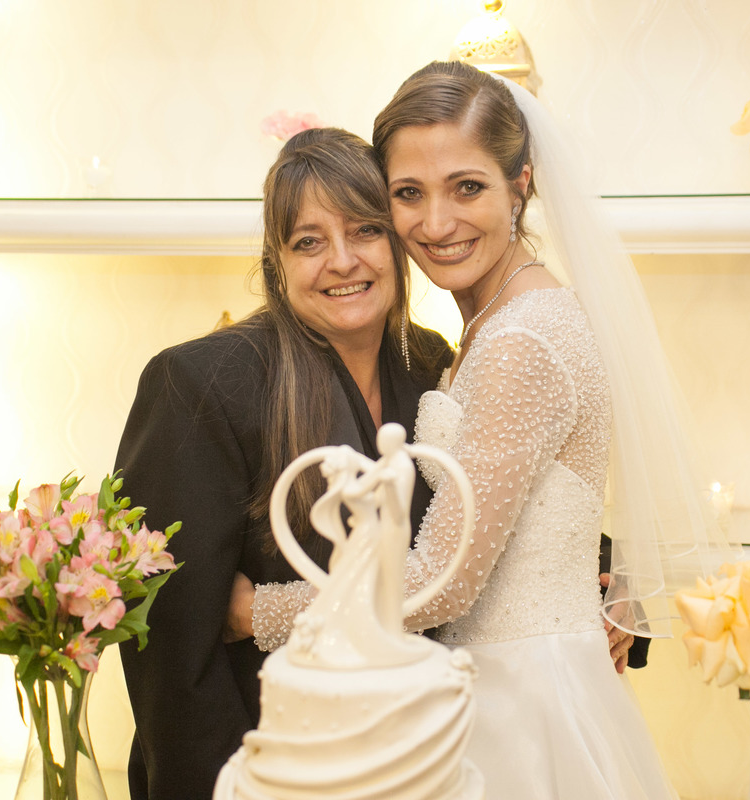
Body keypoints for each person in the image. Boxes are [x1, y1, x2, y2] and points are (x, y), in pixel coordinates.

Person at [236, 61, 737, 799]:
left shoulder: (519, 342)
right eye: (409, 193)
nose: (436, 224)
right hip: (494, 685)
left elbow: (440, 586)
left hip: (519, 706)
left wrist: (254, 611)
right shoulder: (487, 326)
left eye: (467, 187)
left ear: (520, 184)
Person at [114, 127, 451, 800]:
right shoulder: (201, 381)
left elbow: (473, 514)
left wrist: (593, 569)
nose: (343, 261)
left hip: (411, 756)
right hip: (267, 768)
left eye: (365, 230)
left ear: (397, 241)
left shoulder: (429, 362)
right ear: (277, 260)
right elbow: (173, 655)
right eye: (308, 242)